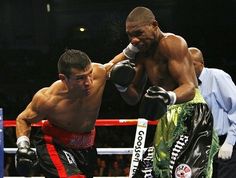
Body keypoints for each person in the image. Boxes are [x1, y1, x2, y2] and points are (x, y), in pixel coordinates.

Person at [110, 6, 219, 178]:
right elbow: (133, 97)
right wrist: (121, 86)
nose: (134, 40)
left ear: (154, 25)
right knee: (151, 173)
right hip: (166, 115)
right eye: (130, 35)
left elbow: (190, 87)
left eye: (138, 33)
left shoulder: (172, 43)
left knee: (185, 174)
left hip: (192, 113)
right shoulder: (141, 54)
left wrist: (168, 96)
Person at [15, 49, 133, 178]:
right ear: (63, 78)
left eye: (90, 74)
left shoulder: (99, 73)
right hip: (55, 145)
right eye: (80, 78)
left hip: (87, 148)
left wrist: (136, 46)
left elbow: (120, 60)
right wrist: (23, 145)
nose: (89, 82)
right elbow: (23, 119)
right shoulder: (47, 99)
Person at [190, 47, 236, 178]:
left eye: (192, 64)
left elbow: (235, 108)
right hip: (202, 148)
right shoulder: (188, 85)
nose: (189, 68)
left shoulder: (217, 76)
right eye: (186, 65)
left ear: (202, 63)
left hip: (225, 143)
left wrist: (230, 142)